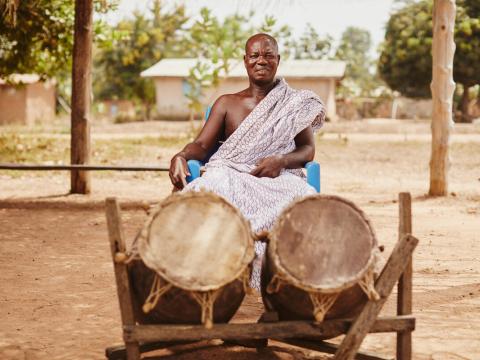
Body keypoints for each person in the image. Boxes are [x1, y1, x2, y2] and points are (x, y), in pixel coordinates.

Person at [169, 33, 326, 290]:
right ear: (245, 61)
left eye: (268, 55)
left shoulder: (294, 104)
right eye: (254, 55)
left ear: (278, 59)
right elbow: (201, 145)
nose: (261, 61)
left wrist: (282, 160)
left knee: (303, 198)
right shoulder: (227, 103)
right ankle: (208, 276)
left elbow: (307, 150)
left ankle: (287, 282)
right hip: (231, 172)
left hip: (277, 178)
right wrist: (181, 156)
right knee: (207, 189)